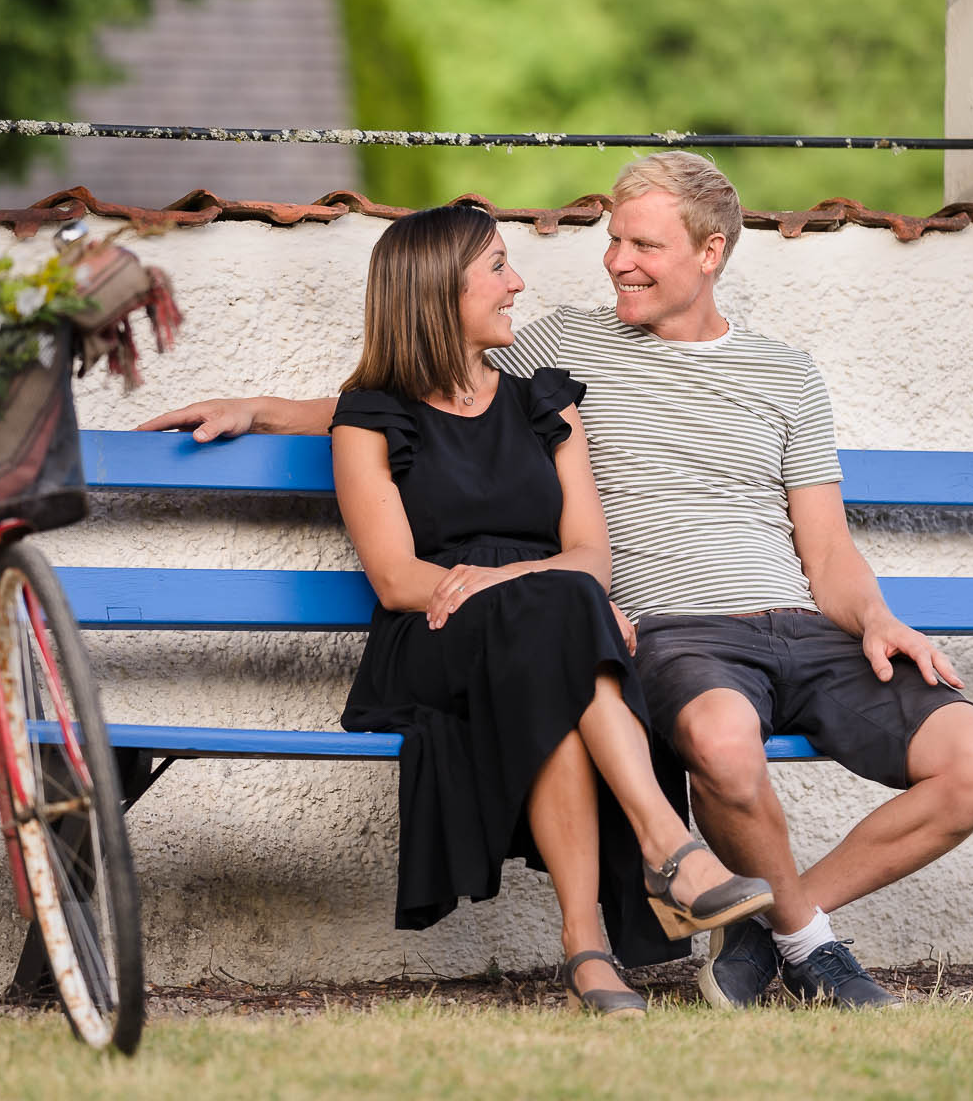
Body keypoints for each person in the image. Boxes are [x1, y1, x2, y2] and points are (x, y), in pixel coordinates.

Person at [142, 152, 973, 1010]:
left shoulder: (785, 373)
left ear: (710, 253)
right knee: (714, 741)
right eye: (613, 239)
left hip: (798, 624)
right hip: (671, 632)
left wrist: (875, 615)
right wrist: (260, 409)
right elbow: (419, 390)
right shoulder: (565, 347)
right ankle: (764, 915)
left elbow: (827, 551)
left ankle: (778, 926)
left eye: (642, 246)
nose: (615, 262)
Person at [326, 203, 772, 1017]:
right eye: (496, 267)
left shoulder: (543, 405)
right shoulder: (370, 418)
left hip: (544, 629)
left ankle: (587, 948)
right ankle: (667, 848)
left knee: (559, 637)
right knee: (562, 615)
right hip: (433, 636)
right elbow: (396, 578)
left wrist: (514, 584)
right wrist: (523, 588)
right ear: (435, 294)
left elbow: (591, 556)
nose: (517, 282)